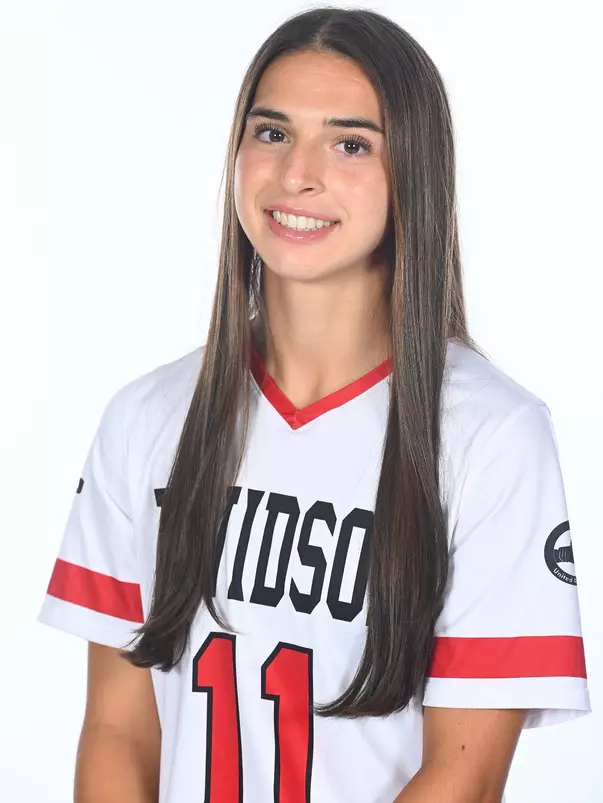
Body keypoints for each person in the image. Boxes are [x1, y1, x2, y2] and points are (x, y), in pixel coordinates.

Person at [37, 7, 590, 803]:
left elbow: (462, 776)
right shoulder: (147, 416)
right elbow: (118, 731)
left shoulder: (490, 435)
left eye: (350, 143)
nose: (297, 173)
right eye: (271, 133)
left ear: (414, 173)